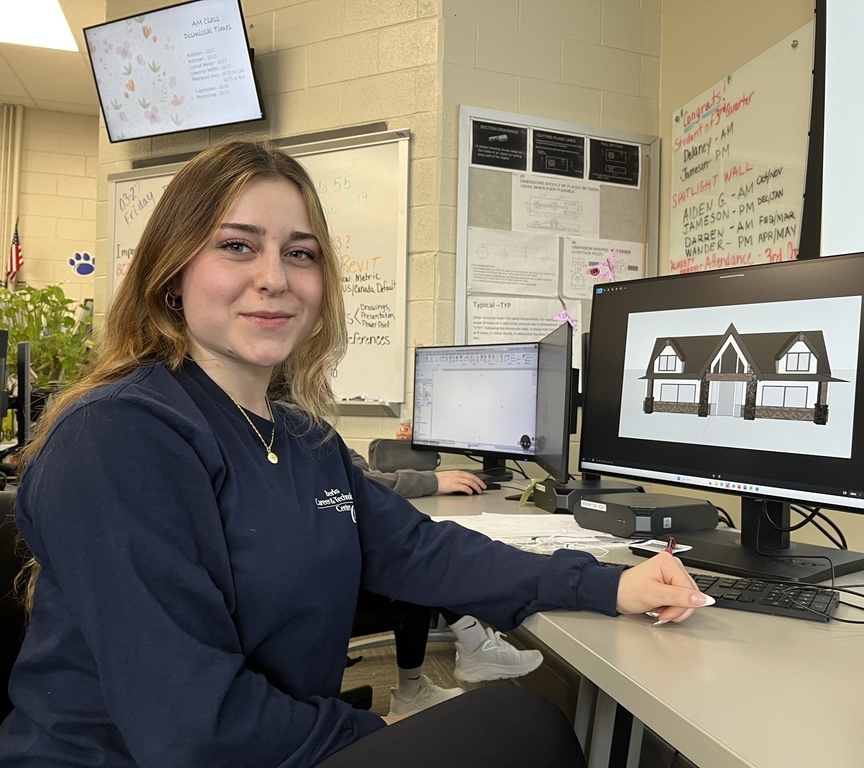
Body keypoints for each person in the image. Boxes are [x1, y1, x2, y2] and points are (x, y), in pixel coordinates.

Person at [0, 140, 714, 767]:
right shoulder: (119, 437)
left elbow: (423, 551)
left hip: (259, 746)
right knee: (517, 727)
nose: (275, 277)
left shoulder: (300, 438)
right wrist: (370, 730)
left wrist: (604, 585)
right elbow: (193, 728)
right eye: (237, 245)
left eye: (300, 253)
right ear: (171, 272)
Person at [348, 450, 544, 716]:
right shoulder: (291, 429)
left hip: (310, 579)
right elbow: (356, 480)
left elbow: (353, 469)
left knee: (413, 554)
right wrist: (433, 481)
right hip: (315, 593)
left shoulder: (298, 430)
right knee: (413, 559)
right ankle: (472, 644)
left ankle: (418, 688)